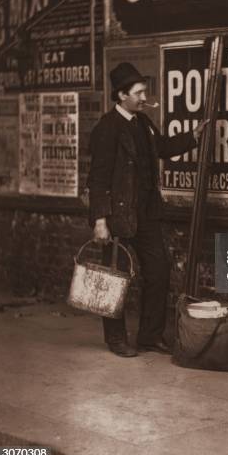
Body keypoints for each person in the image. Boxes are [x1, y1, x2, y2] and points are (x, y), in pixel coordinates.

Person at [87, 62, 207, 357]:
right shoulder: (107, 127)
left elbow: (162, 147)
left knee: (159, 271)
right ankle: (115, 339)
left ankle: (149, 336)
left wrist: (193, 135)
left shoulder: (142, 123)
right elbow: (98, 177)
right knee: (114, 278)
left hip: (147, 214)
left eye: (143, 92)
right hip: (117, 217)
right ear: (121, 95)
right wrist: (100, 220)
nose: (144, 97)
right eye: (138, 93)